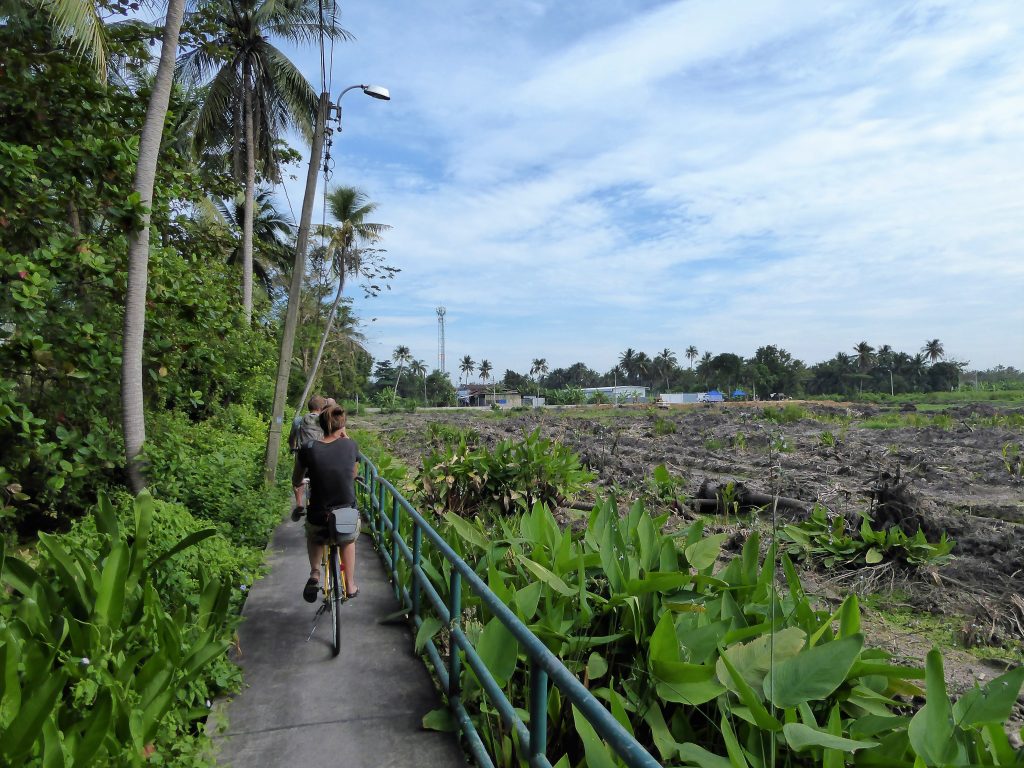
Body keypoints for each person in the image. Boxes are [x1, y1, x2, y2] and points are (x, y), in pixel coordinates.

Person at [292, 405, 361, 602]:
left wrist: (299, 483)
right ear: (343, 426)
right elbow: (353, 474)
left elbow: (297, 478)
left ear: (322, 426)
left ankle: (315, 573)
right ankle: (350, 584)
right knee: (348, 540)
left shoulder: (309, 448)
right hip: (346, 512)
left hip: (319, 514)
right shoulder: (350, 445)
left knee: (314, 535)